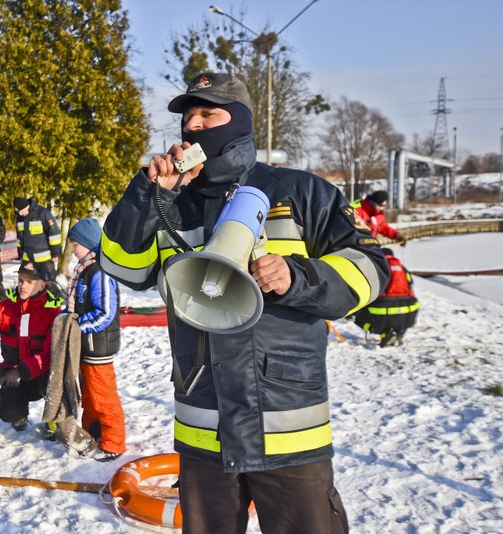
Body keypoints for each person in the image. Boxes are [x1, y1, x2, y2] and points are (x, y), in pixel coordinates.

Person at [99, 72, 390, 533]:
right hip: (204, 431)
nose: (194, 125)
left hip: (288, 429)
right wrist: (148, 194)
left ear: (238, 121)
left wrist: (297, 277)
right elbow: (123, 267)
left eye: (208, 114)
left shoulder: (300, 191)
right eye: (188, 117)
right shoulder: (171, 201)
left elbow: (372, 268)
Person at [66, 218, 126, 462]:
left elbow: (105, 312)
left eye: (75, 244)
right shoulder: (84, 271)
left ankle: (114, 442)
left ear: (88, 243)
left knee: (103, 397)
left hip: (98, 346)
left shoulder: (100, 272)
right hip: (86, 347)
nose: (72, 250)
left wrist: (77, 326)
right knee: (89, 396)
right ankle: (92, 433)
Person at [0, 261, 64, 432]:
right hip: (13, 373)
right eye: (20, 280)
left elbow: (49, 354)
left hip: (42, 373)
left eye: (29, 282)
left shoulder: (52, 312)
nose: (23, 286)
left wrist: (22, 370)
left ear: (42, 285)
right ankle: (19, 415)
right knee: (8, 413)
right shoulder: (5, 307)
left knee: (56, 380)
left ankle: (53, 419)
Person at [353, 248, 420, 347]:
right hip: (407, 311)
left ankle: (384, 333)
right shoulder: (402, 268)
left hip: (382, 309)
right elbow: (410, 287)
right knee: (398, 318)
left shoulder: (379, 266)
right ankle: (399, 333)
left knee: (357, 317)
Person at [13, 197, 62, 282]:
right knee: (26, 284)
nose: (20, 214)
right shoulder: (20, 218)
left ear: (27, 206)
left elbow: (54, 234)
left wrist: (55, 254)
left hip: (45, 261)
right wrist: (20, 256)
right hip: (27, 260)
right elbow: (19, 239)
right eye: (18, 212)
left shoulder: (43, 213)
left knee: (49, 284)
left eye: (21, 211)